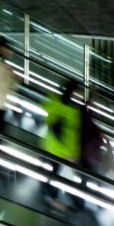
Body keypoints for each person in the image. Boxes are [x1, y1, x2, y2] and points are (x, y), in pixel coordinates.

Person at [40, 79, 82, 212]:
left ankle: (52, 198)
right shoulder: (72, 112)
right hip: (63, 152)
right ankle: (56, 200)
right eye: (77, 93)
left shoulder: (54, 102)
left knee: (56, 174)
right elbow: (70, 134)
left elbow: (45, 106)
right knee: (61, 175)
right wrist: (73, 154)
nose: (79, 95)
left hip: (51, 146)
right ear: (73, 93)